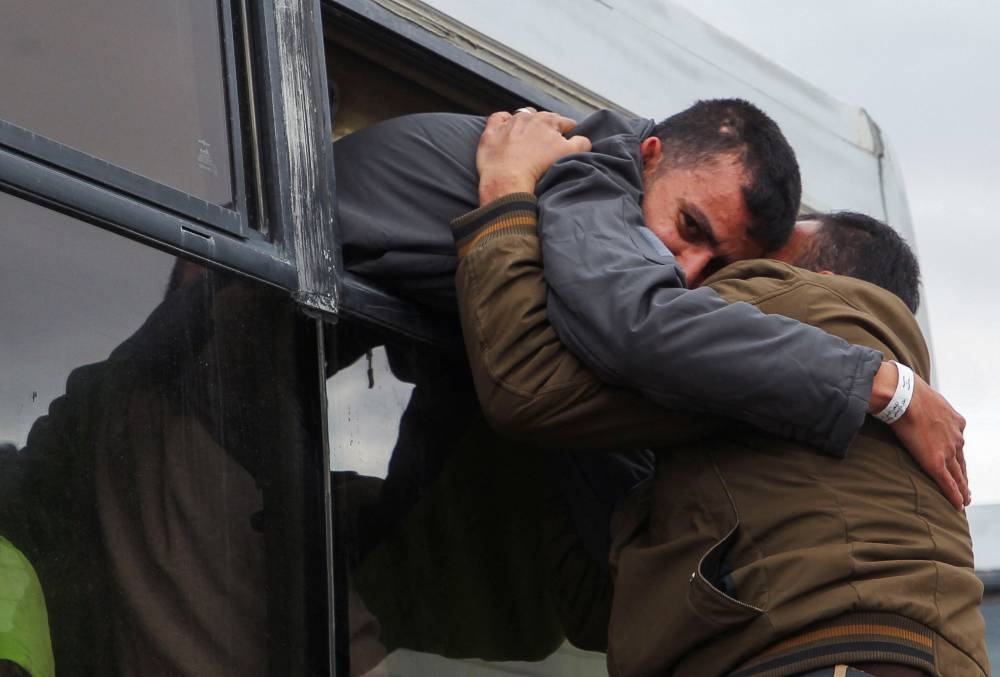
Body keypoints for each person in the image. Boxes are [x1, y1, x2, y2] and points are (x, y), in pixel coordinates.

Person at [333, 102, 968, 508]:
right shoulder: (587, 174)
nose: (683, 270)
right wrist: (884, 387)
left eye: (719, 266)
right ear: (651, 157)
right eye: (689, 226)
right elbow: (635, 328)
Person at [449, 198, 988, 675]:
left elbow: (530, 381)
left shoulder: (795, 306)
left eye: (763, 244)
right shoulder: (839, 429)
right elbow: (605, 615)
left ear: (817, 276)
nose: (704, 265)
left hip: (829, 655)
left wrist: (507, 205)